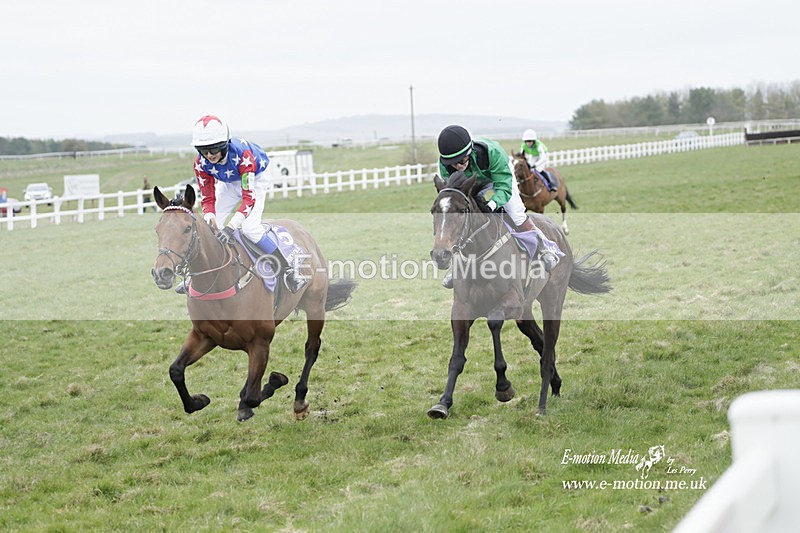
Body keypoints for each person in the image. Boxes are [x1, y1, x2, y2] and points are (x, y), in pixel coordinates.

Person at [176, 114, 306, 294]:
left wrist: (230, 227)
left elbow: (248, 199)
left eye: (213, 149)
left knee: (250, 229)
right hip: (229, 182)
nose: (209, 155)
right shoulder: (200, 164)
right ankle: (195, 277)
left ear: (224, 145)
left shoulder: (243, 155)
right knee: (207, 227)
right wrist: (210, 217)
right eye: (203, 150)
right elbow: (208, 199)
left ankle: (289, 270)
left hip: (255, 177)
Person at [437, 125, 561, 287]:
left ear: (470, 151)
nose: (458, 166)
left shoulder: (493, 153)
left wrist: (493, 204)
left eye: (462, 161)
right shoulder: (445, 165)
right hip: (472, 182)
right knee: (463, 220)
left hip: (498, 175)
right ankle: (458, 267)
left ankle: (545, 248)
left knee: (515, 214)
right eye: (454, 163)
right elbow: (453, 195)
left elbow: (503, 186)